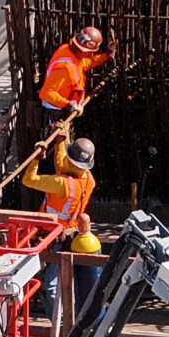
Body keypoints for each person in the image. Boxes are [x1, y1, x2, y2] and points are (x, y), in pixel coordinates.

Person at [21, 133, 99, 325]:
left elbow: (28, 180)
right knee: (61, 279)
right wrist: (60, 141)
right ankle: (67, 320)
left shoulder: (60, 184)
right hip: (70, 235)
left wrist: (35, 160)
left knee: (50, 284)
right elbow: (63, 165)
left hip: (53, 237)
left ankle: (63, 325)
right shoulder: (88, 179)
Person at [38, 26, 109, 135]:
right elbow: (46, 93)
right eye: (89, 52)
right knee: (59, 147)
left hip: (64, 109)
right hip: (55, 113)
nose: (91, 55)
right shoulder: (64, 67)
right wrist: (67, 104)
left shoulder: (71, 52)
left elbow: (85, 64)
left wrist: (105, 56)